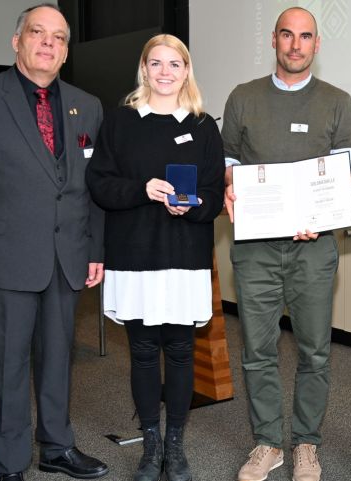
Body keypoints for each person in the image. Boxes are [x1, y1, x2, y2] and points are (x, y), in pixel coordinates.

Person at [0, 4, 108, 481]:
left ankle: (57, 446)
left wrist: (95, 249)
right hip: (3, 260)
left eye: (58, 37)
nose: (48, 43)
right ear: (18, 41)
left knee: (59, 360)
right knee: (7, 365)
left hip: (66, 259)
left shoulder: (86, 105)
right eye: (38, 33)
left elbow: (89, 187)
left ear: (66, 50)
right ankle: (11, 461)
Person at [221, 7, 351, 481]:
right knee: (257, 349)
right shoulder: (243, 98)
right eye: (287, 35)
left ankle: (305, 443)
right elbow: (227, 160)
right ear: (275, 41)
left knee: (314, 350)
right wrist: (228, 182)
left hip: (313, 247)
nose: (296, 44)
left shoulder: (337, 101)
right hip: (256, 247)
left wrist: (320, 216)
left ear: (316, 45)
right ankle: (266, 443)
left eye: (305, 37)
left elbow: (348, 170)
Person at [85, 34, 224, 481]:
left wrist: (195, 205)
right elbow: (100, 184)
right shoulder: (121, 122)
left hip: (185, 254)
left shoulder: (203, 126)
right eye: (156, 63)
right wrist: (142, 190)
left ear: (187, 71)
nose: (165, 72)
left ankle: (176, 446)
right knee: (144, 353)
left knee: (181, 351)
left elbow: (216, 195)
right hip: (135, 254)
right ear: (143, 69)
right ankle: (151, 445)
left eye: (175, 64)